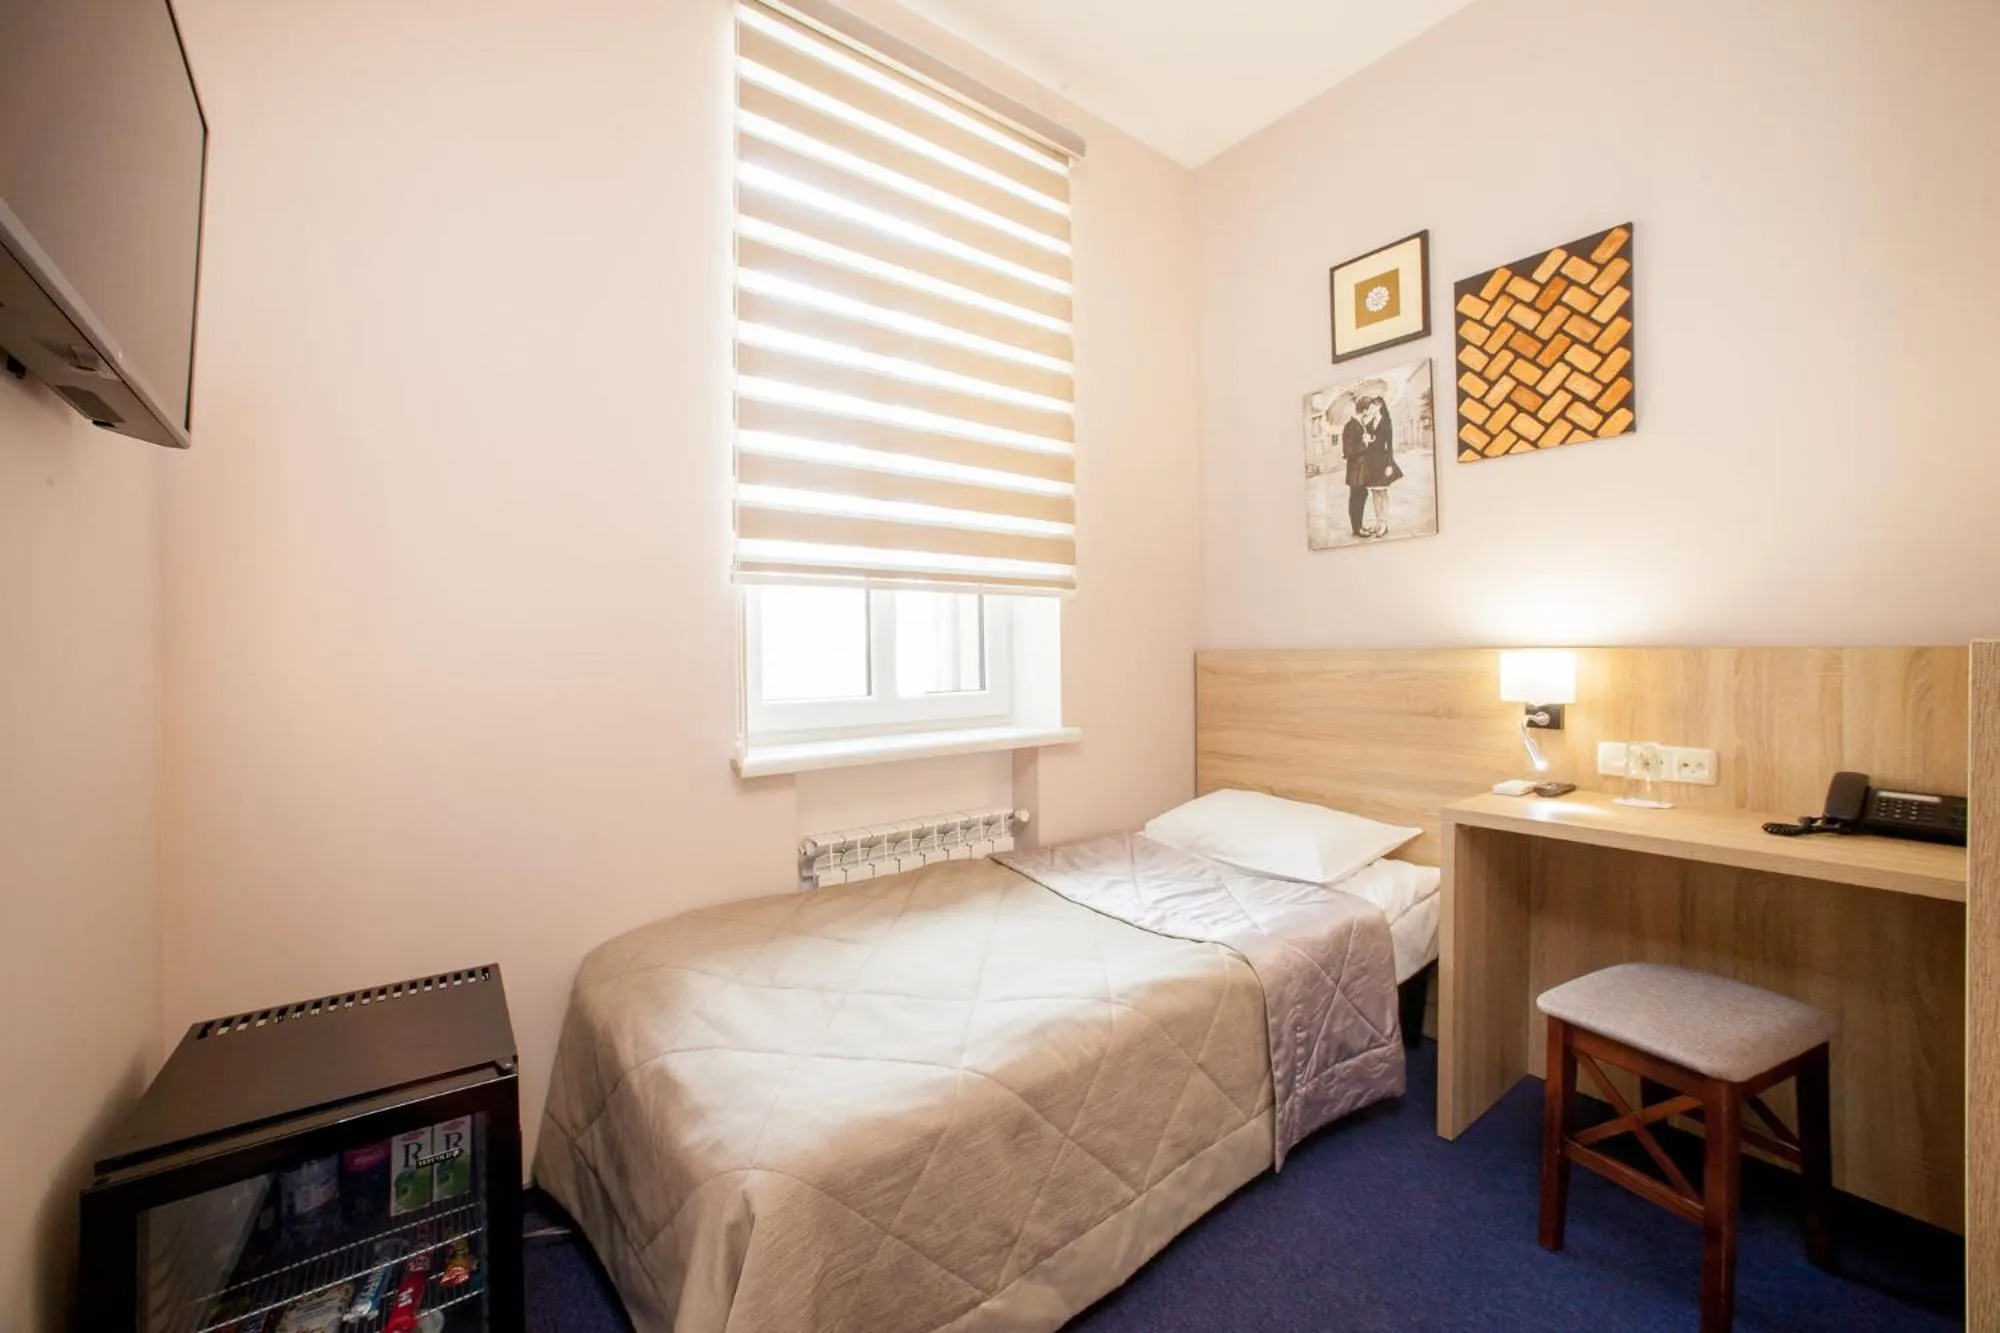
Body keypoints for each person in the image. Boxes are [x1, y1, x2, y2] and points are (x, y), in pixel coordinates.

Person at [1356, 395, 1403, 538]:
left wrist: (1389, 464)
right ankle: (1378, 521)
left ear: (1380, 407)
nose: (1371, 407)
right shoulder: (1368, 423)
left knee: (1382, 492)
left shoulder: (1386, 423)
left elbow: (1389, 446)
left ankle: (1384, 524)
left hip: (1383, 462)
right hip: (1371, 463)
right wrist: (1366, 439)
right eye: (1371, 405)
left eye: (1375, 405)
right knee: (1375, 493)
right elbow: (1369, 441)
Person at [1337, 404, 1370, 538]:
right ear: (1364, 410)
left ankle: (1359, 526)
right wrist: (1364, 444)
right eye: (1369, 410)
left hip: (1361, 470)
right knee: (1356, 499)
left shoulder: (1361, 424)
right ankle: (1357, 529)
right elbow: (1348, 452)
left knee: (1361, 496)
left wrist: (1366, 440)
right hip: (1355, 472)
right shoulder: (1350, 426)